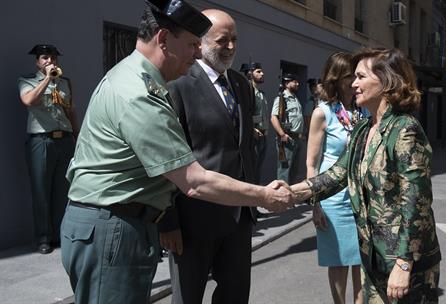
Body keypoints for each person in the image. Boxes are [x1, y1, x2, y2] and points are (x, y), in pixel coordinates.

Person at [60, 2, 294, 304]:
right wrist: (264, 196)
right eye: (193, 44)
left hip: (116, 223)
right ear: (163, 39)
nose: (197, 54)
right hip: (114, 226)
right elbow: (193, 181)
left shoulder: (131, 77)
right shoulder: (140, 94)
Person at [291, 48, 441, 303]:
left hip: (405, 264)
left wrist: (404, 264)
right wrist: (286, 193)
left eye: (360, 76)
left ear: (386, 81)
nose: (354, 83)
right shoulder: (364, 128)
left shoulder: (404, 130)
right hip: (373, 257)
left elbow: (416, 204)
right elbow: (336, 175)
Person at [158, 10, 257, 304]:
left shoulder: (241, 85)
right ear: (199, 43)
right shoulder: (178, 83)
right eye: (222, 40)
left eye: (234, 40)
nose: (230, 47)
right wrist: (168, 221)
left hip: (239, 218)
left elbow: (244, 147)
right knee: (188, 298)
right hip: (193, 221)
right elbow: (167, 158)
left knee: (235, 296)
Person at [306, 52, 364, 304]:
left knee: (362, 260)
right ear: (336, 78)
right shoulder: (323, 113)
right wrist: (315, 204)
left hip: (362, 197)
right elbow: (311, 163)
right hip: (333, 199)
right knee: (339, 260)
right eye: (350, 76)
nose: (354, 82)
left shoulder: (363, 110)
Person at [18, 44, 79, 254]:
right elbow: (28, 100)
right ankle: (43, 238)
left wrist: (77, 136)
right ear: (38, 62)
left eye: (53, 57)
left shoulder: (65, 83)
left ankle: (59, 235)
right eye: (45, 57)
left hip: (64, 140)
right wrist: (47, 79)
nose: (50, 61)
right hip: (41, 141)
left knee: (63, 191)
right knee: (41, 191)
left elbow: (71, 111)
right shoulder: (27, 81)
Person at [241, 61, 269, 217]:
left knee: (257, 173)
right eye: (259, 71)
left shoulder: (261, 93)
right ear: (250, 73)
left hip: (263, 135)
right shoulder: (248, 91)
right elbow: (244, 113)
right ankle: (249, 208)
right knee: (250, 173)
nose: (262, 74)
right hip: (253, 137)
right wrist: (252, 129)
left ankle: (254, 207)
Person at [271, 73, 305, 184]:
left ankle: (290, 194)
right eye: (294, 81)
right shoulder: (282, 99)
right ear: (287, 83)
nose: (297, 83)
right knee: (284, 170)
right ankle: (281, 196)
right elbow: (273, 118)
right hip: (287, 138)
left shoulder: (295, 98)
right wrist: (282, 134)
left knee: (294, 169)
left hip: (296, 138)